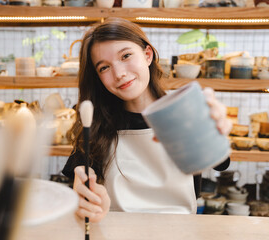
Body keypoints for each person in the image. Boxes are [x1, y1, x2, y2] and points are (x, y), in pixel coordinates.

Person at [62, 17, 232, 223]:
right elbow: (82, 182)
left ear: (147, 55)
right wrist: (87, 197)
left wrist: (214, 129)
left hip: (181, 231)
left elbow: (220, 162)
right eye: (104, 68)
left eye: (126, 55)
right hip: (116, 231)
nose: (119, 73)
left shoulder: (181, 111)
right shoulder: (95, 122)